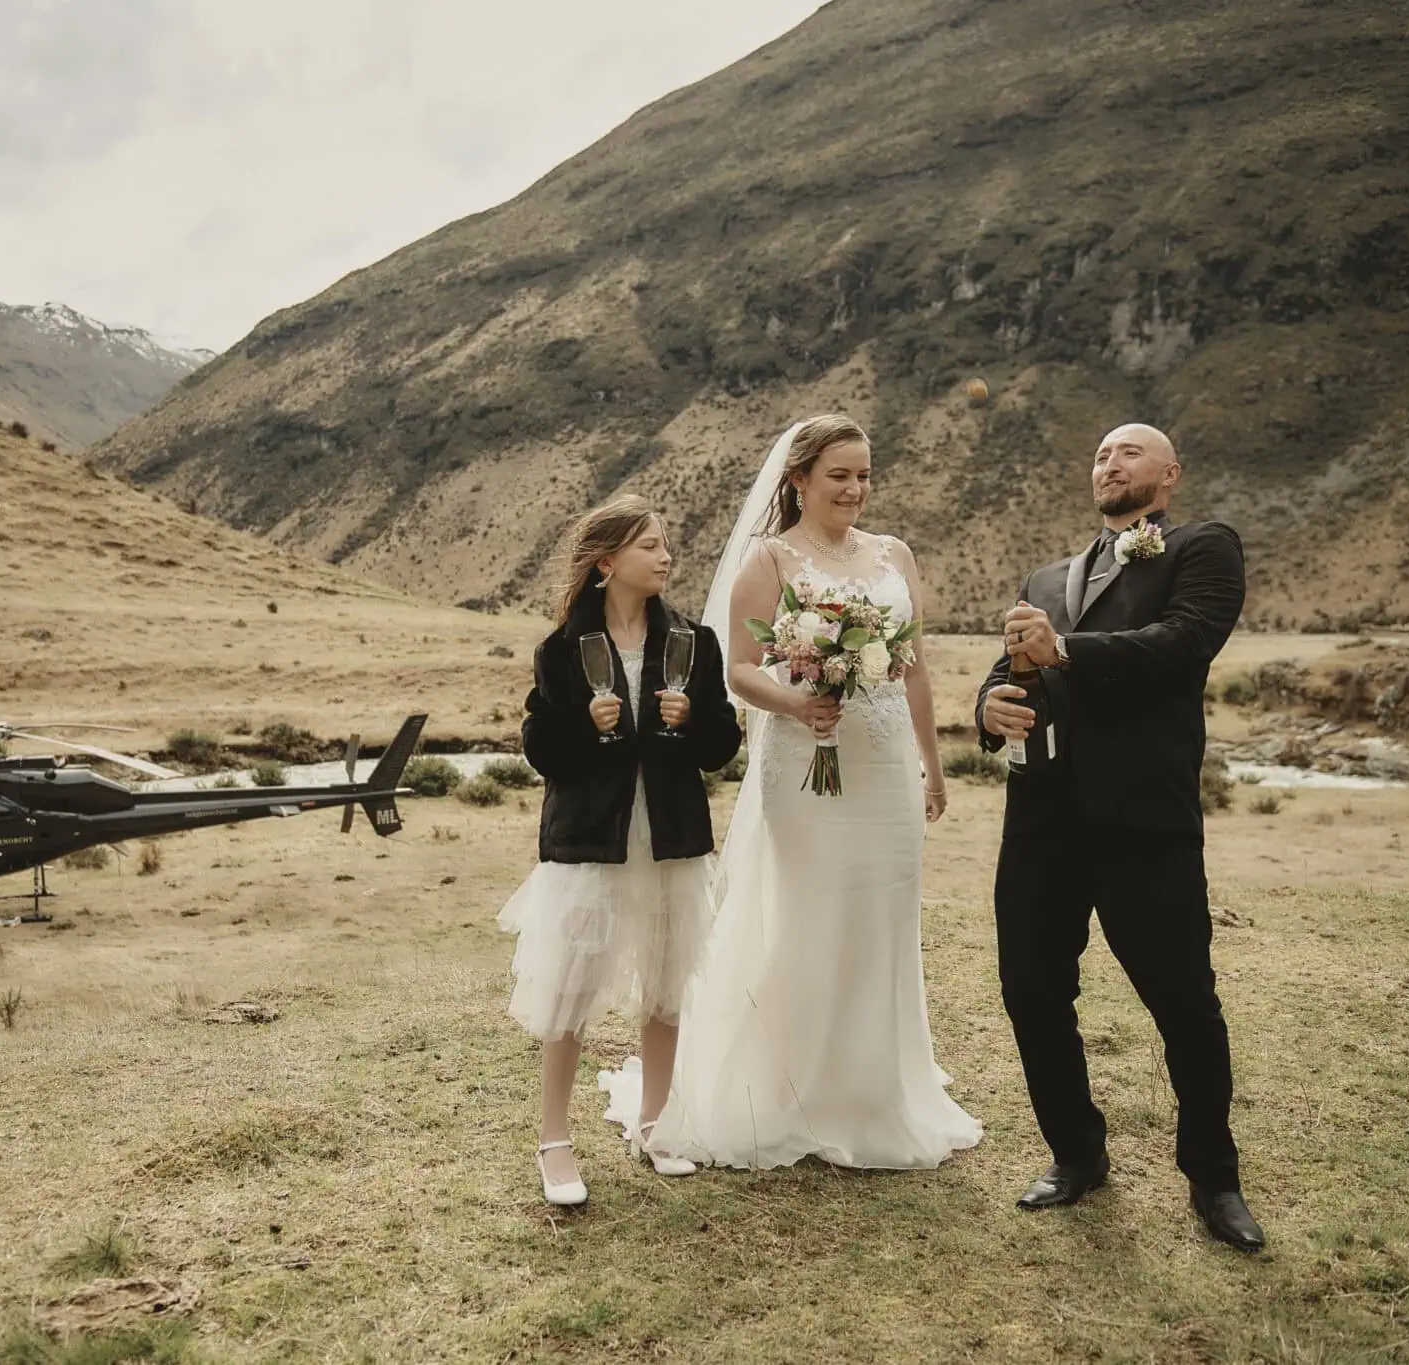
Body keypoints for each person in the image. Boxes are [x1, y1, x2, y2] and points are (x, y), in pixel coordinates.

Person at [602, 415, 984, 1169]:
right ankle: (789, 1086)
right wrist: (798, 702)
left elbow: (913, 666)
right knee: (807, 912)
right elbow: (739, 669)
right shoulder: (769, 560)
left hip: (883, 766)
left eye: (865, 474)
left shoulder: (895, 555)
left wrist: (932, 766)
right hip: (804, 765)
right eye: (839, 474)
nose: (855, 488)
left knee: (883, 917)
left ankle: (873, 1089)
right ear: (800, 479)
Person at [976, 422, 1265, 1251]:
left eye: (1128, 452)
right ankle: (1076, 1154)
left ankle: (1213, 1178)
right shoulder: (1046, 577)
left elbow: (1180, 645)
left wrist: (1064, 649)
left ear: (1169, 473)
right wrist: (987, 708)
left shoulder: (1203, 547)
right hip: (1040, 823)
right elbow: (1013, 672)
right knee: (1032, 993)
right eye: (1101, 453)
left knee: (1184, 1004)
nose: (1110, 461)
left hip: (1144, 821)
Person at [500, 496, 742, 1206]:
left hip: (669, 835)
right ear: (608, 563)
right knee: (570, 987)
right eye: (650, 546)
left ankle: (656, 1124)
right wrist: (584, 721)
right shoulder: (560, 650)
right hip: (589, 843)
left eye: (666, 546)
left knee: (666, 983)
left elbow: (723, 744)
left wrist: (694, 716)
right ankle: (554, 1140)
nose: (666, 557)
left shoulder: (692, 642)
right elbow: (541, 751)